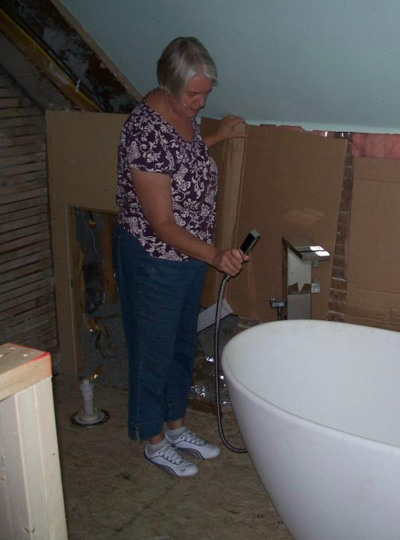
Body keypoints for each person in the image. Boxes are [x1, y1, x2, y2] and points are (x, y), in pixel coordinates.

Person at [113, 37, 247, 477]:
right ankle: (153, 439)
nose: (201, 100)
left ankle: (175, 426)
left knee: (179, 344)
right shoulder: (143, 133)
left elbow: (183, 161)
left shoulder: (186, 114)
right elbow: (162, 224)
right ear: (169, 87)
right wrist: (215, 256)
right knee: (152, 348)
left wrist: (216, 136)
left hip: (188, 255)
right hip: (156, 258)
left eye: (206, 92)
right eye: (194, 94)